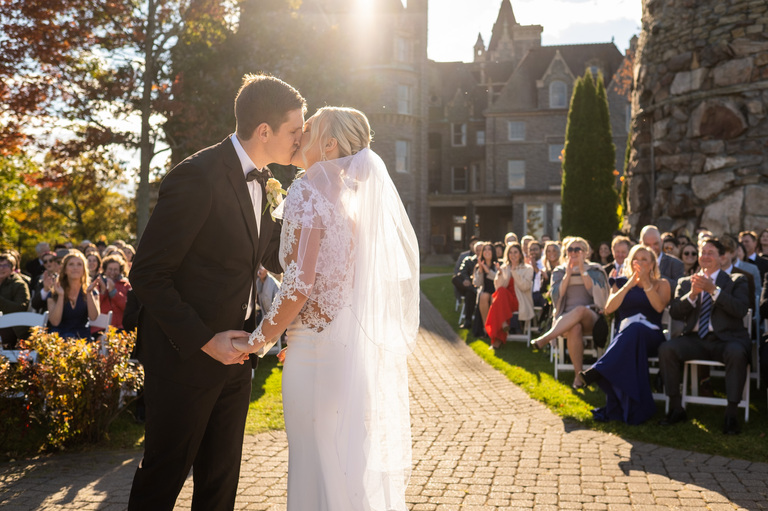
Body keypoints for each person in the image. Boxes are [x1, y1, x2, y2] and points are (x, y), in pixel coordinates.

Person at [127, 74, 306, 511]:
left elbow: (277, 252)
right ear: (264, 131)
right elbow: (148, 274)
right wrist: (206, 341)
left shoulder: (265, 182)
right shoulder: (196, 176)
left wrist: (340, 233)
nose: (300, 141)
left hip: (238, 354)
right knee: (163, 477)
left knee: (220, 483)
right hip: (183, 357)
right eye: (295, 132)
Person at [233, 106, 419, 511]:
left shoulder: (307, 191)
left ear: (330, 144)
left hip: (317, 351)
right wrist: (299, 338)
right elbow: (338, 285)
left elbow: (299, 286)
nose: (299, 135)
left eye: (310, 128)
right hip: (340, 348)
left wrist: (257, 341)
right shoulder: (352, 202)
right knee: (338, 457)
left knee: (314, 457)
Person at [658, 237, 751, 435]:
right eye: (703, 252)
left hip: (726, 340)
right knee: (667, 349)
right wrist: (692, 295)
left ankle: (731, 415)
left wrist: (713, 290)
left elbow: (741, 309)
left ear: (722, 257)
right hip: (695, 340)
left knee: (737, 353)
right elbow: (674, 312)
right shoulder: (685, 282)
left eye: (711, 253)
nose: (705, 256)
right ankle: (676, 408)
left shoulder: (736, 281)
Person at [579, 245, 671, 424]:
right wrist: (629, 285)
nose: (640, 262)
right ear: (630, 262)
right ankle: (605, 376)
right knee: (631, 330)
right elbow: (608, 309)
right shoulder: (620, 282)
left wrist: (645, 283)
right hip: (626, 338)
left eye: (645, 259)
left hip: (650, 336)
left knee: (635, 328)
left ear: (652, 264)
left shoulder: (662, 284)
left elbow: (659, 307)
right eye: (637, 259)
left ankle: (599, 369)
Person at [531, 237, 610, 389]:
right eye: (570, 249)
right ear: (566, 253)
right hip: (565, 320)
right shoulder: (559, 271)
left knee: (581, 309)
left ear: (585, 253)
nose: (574, 252)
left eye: (578, 249)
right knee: (575, 328)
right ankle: (578, 376)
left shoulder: (595, 269)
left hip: (591, 317)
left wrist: (581, 270)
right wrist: (568, 275)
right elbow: (556, 297)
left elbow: (600, 297)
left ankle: (546, 338)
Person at [486, 242, 534, 349]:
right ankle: (499, 333)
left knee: (497, 303)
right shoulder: (504, 267)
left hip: (520, 301)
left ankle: (497, 339)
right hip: (505, 301)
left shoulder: (528, 268)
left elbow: (525, 286)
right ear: (507, 255)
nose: (513, 255)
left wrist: (514, 271)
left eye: (515, 252)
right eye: (510, 253)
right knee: (501, 292)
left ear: (520, 254)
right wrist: (500, 274)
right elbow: (498, 287)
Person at [47, 251, 100, 339]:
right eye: (71, 264)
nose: (75, 267)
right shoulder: (54, 293)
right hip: (59, 339)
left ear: (84, 269)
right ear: (65, 269)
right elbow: (55, 322)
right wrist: (61, 295)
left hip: (82, 338)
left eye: (79, 264)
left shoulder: (92, 291)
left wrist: (89, 294)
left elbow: (93, 317)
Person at [0, 252, 31, 348]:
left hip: (14, 329)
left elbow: (21, 308)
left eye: (5, 265)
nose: (1, 268)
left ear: (13, 268)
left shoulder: (19, 284)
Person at [641, 225, 684, 289]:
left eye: (655, 244)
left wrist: (654, 274)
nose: (652, 248)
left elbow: (678, 290)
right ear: (640, 243)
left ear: (661, 241)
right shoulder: (634, 263)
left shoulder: (676, 264)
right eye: (647, 245)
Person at [96, 254, 132, 330]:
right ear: (105, 270)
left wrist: (113, 292)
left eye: (115, 269)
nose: (112, 272)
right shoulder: (98, 284)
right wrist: (102, 291)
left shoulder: (126, 285)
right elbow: (95, 306)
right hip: (100, 327)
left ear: (120, 271)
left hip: (121, 327)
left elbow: (128, 307)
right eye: (110, 269)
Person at [473, 241, 498, 334]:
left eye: (489, 249)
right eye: (485, 250)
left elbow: (497, 278)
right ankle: (485, 326)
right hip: (485, 290)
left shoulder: (497, 265)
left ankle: (494, 326)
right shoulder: (478, 266)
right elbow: (477, 283)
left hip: (496, 290)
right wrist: (480, 269)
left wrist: (487, 270)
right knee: (483, 296)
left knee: (493, 298)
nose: (487, 251)